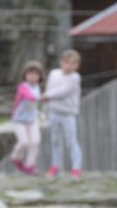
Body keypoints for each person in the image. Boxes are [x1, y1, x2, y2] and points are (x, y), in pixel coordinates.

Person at [43, 49, 83, 180]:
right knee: (55, 141)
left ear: (77, 65)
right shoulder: (54, 74)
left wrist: (46, 96)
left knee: (71, 141)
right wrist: (47, 108)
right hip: (54, 111)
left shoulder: (75, 77)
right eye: (67, 62)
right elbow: (50, 88)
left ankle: (76, 168)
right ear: (61, 62)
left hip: (68, 114)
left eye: (73, 63)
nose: (69, 66)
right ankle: (56, 167)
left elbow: (63, 91)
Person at [9, 60, 44, 175]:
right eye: (30, 74)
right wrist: (36, 98)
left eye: (35, 75)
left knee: (35, 141)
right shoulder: (23, 87)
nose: (33, 77)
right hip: (19, 120)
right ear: (25, 75)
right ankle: (15, 157)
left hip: (32, 119)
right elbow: (29, 96)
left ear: (39, 77)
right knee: (24, 142)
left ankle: (30, 165)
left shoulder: (38, 87)